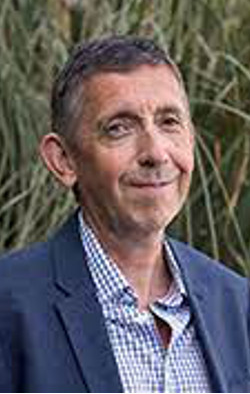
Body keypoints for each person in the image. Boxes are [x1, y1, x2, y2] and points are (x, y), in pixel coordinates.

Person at [0, 36, 249, 393]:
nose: (156, 153)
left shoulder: (237, 307)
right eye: (119, 127)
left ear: (191, 139)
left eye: (169, 122)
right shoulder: (10, 310)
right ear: (63, 160)